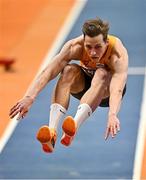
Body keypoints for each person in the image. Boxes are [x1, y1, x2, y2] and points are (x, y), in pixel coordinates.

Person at [9, 17, 128, 153]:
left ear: (106, 42)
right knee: (68, 70)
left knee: (101, 73)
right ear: (84, 42)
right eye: (88, 47)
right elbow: (48, 71)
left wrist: (112, 114)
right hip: (84, 86)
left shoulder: (117, 54)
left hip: (107, 91)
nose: (93, 52)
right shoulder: (75, 47)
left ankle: (74, 126)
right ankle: (52, 132)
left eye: (98, 47)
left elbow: (117, 89)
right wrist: (30, 97)